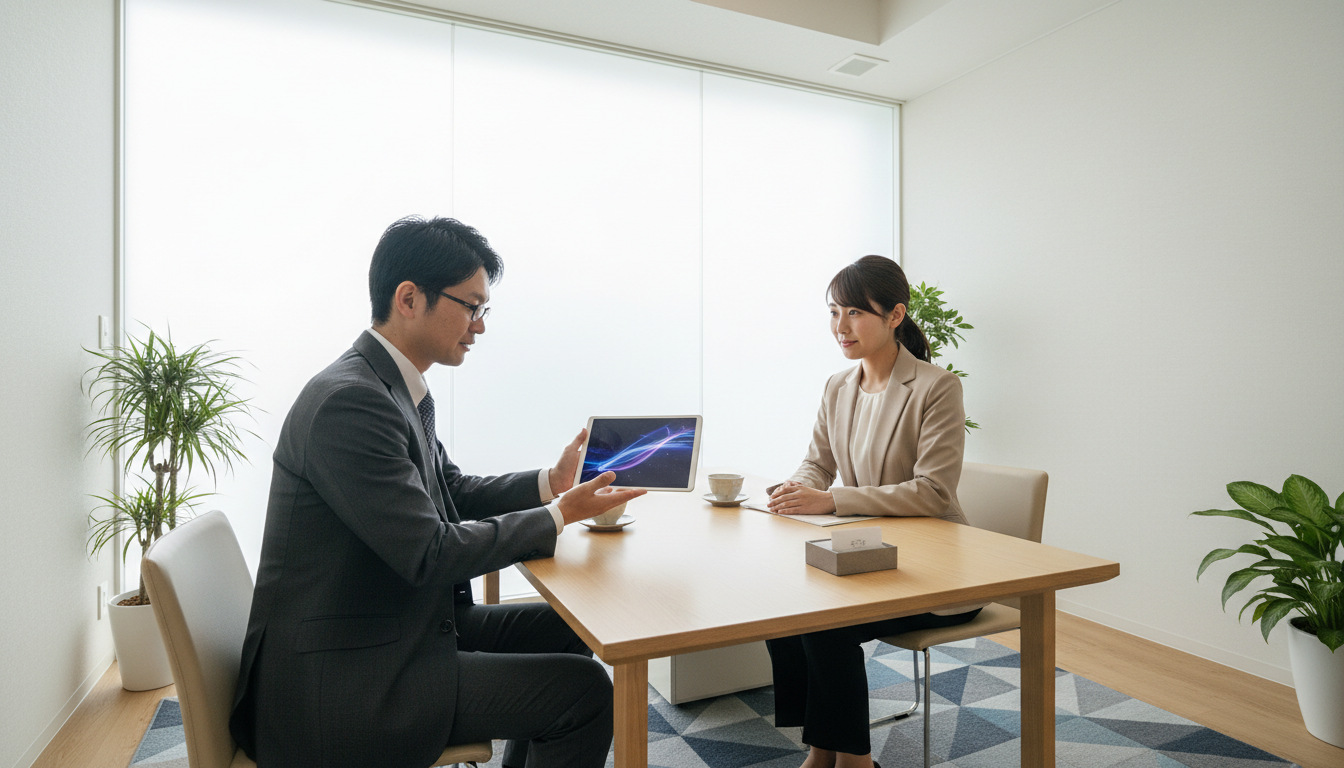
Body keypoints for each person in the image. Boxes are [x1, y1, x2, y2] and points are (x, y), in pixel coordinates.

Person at [229, 216, 644, 768]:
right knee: (584, 694)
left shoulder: (390, 387)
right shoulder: (350, 403)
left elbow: (449, 489)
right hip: (343, 681)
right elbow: (429, 553)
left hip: (389, 627)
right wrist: (557, 515)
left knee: (569, 630)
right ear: (408, 298)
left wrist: (551, 483)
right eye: (471, 306)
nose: (480, 325)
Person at [764, 255, 982, 768]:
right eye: (834, 312)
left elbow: (933, 492)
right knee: (783, 606)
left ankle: (853, 763)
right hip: (867, 556)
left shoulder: (937, 387)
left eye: (856, 312)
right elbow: (819, 462)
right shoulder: (838, 385)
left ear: (895, 315)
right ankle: (822, 753)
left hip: (937, 570)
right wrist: (797, 489)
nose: (841, 326)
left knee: (826, 623)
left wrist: (832, 499)